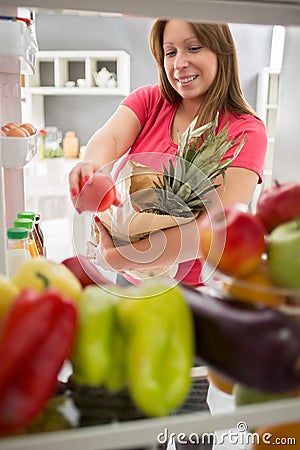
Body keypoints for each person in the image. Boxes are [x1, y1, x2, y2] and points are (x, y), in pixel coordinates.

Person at [69, 19, 267, 287]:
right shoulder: (151, 101)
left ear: (222, 51)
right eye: (170, 52)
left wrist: (121, 258)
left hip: (197, 292)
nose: (179, 63)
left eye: (194, 48)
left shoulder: (246, 132)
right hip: (130, 280)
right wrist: (91, 167)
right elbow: (111, 138)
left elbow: (211, 231)